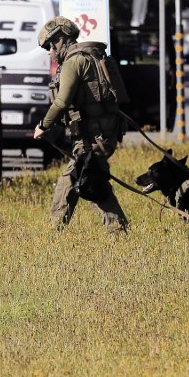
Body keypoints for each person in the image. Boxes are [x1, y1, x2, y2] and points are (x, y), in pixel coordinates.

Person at [33, 17, 129, 234]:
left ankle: (117, 231)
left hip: (92, 136)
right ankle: (54, 230)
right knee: (78, 179)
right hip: (103, 132)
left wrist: (43, 125)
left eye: (50, 45)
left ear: (61, 40)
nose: (50, 51)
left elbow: (62, 101)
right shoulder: (91, 57)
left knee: (88, 181)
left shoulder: (74, 61)